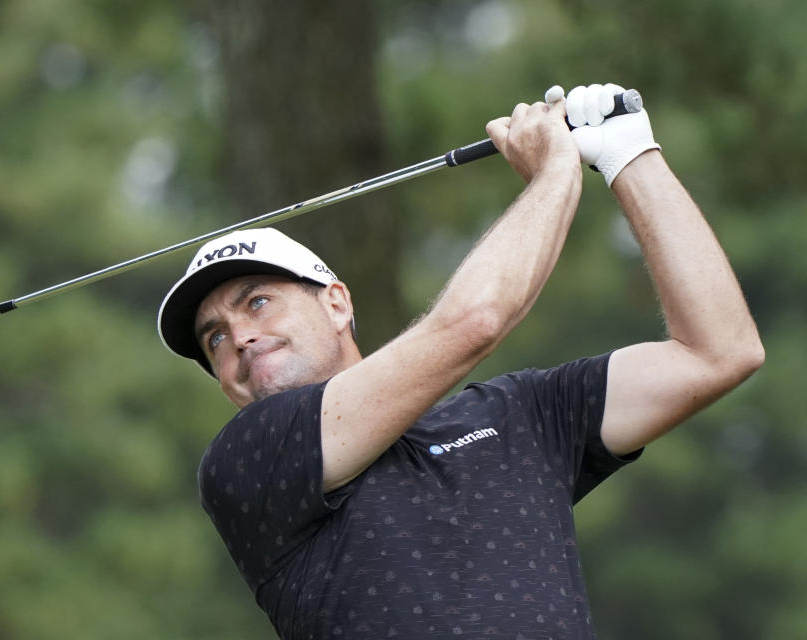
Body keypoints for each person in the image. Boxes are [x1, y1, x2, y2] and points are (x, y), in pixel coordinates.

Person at [156, 83, 764, 639]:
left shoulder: (522, 413)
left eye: (258, 303)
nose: (238, 337)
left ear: (337, 303)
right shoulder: (250, 460)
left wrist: (630, 154)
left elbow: (718, 352)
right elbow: (475, 322)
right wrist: (555, 170)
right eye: (213, 338)